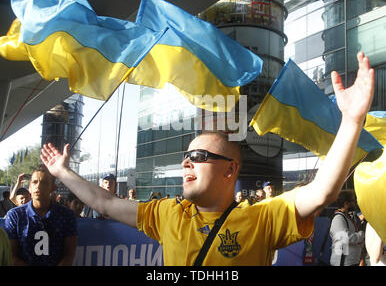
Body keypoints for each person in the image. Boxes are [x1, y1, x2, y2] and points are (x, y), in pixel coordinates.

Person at [40, 52, 375, 265]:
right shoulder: (167, 214)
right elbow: (105, 202)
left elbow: (323, 192)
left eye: (198, 156)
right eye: (186, 156)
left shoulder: (262, 219)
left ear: (231, 169)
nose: (187, 162)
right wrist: (62, 171)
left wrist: (351, 121)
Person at [4, 164, 78, 266]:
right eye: (34, 182)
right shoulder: (15, 215)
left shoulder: (66, 215)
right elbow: (11, 257)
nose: (38, 186)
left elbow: (69, 256)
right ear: (29, 187)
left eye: (44, 182)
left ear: (53, 187)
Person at [329, 190, 365, 266]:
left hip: (352, 261)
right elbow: (344, 237)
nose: (356, 203)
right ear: (346, 204)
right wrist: (361, 235)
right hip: (343, 263)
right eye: (353, 200)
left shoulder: (349, 218)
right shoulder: (338, 218)